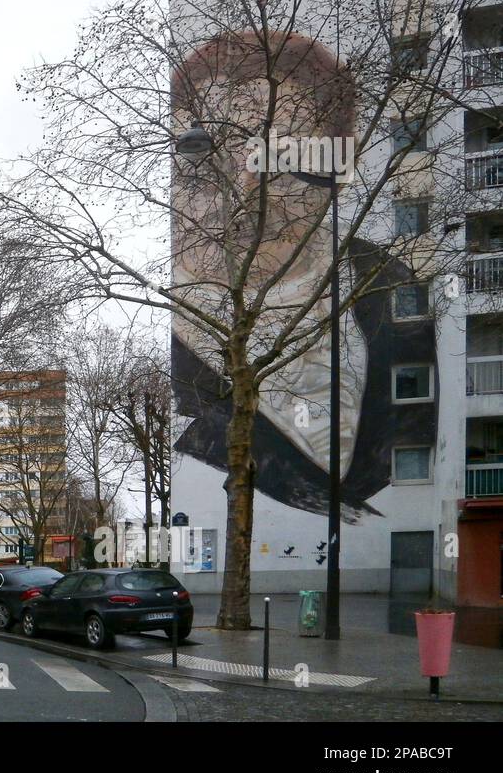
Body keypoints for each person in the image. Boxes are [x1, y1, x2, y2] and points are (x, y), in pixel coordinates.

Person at [171, 31, 437, 518]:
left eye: (279, 159)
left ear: (335, 168)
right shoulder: (189, 349)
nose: (243, 187)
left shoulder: (399, 294)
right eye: (207, 159)